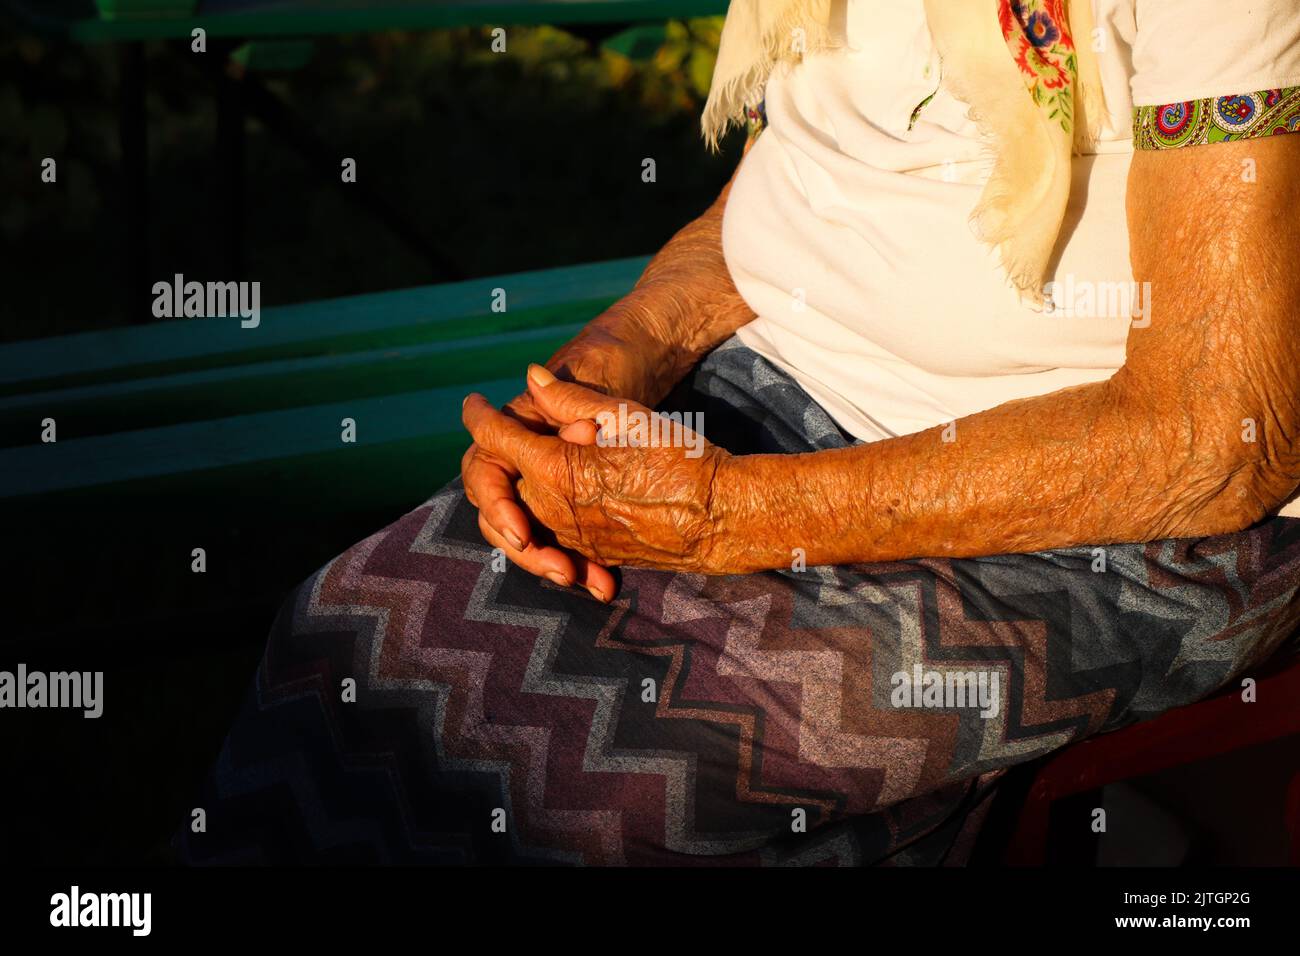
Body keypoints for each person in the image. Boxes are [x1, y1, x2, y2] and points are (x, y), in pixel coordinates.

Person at [183, 0, 1300, 865]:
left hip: (1102, 515)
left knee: (593, 796)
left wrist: (729, 519)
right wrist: (616, 356)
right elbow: (807, 185)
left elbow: (1217, 435)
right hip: (782, 393)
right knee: (341, 630)